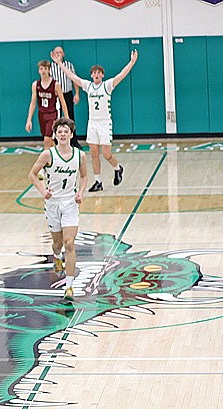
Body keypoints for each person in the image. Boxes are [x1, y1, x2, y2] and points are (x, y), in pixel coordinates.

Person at [53, 49, 137, 192]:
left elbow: (122, 75)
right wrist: (60, 64)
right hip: (92, 123)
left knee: (106, 154)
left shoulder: (107, 85)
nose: (96, 74)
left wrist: (132, 61)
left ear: (102, 75)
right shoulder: (88, 86)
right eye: (94, 73)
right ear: (91, 75)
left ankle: (117, 168)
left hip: (105, 123)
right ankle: (98, 181)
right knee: (93, 153)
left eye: (99, 73)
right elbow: (72, 76)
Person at [27, 118, 86, 302]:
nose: (62, 134)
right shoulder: (48, 155)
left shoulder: (80, 156)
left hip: (69, 203)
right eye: (59, 131)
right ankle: (55, 255)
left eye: (65, 131)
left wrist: (81, 193)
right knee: (58, 243)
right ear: (55, 135)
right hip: (53, 203)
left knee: (70, 243)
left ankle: (69, 287)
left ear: (71, 134)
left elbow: (84, 176)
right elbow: (32, 174)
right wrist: (43, 191)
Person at [25, 60, 69, 151]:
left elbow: (63, 101)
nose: (43, 71)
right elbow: (33, 103)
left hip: (53, 114)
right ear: (38, 71)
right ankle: (61, 154)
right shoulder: (35, 84)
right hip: (41, 114)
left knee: (46, 140)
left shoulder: (55, 84)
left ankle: (46, 162)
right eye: (41, 69)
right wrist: (29, 120)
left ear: (49, 70)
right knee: (49, 140)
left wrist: (67, 118)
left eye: (45, 69)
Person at [49, 46, 80, 149]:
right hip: (56, 96)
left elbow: (74, 79)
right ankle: (56, 141)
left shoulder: (68, 65)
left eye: (60, 52)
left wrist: (77, 94)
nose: (58, 54)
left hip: (67, 94)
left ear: (63, 54)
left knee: (70, 118)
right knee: (56, 118)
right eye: (56, 52)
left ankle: (73, 141)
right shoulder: (50, 67)